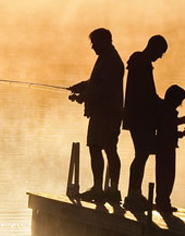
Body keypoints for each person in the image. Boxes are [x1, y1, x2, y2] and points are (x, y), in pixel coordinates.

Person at [68, 28, 124, 205]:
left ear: (105, 41)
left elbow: (104, 89)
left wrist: (84, 96)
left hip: (106, 113)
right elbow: (97, 83)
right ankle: (109, 189)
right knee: (107, 149)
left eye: (94, 43)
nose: (92, 47)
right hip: (108, 112)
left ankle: (101, 189)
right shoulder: (107, 59)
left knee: (98, 147)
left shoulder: (112, 61)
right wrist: (82, 86)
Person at [122, 34, 167, 211]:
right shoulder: (143, 64)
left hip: (135, 117)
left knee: (141, 155)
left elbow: (146, 93)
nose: (160, 56)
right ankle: (133, 194)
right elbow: (147, 94)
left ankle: (134, 192)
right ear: (153, 47)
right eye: (160, 52)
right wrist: (163, 105)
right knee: (141, 155)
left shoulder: (137, 62)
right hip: (141, 118)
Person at [154, 84, 185, 213]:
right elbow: (168, 129)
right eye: (180, 100)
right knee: (167, 175)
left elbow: (170, 126)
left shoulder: (166, 110)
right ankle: (163, 201)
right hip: (166, 148)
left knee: (164, 175)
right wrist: (181, 132)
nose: (180, 103)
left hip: (164, 146)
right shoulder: (168, 112)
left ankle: (163, 201)